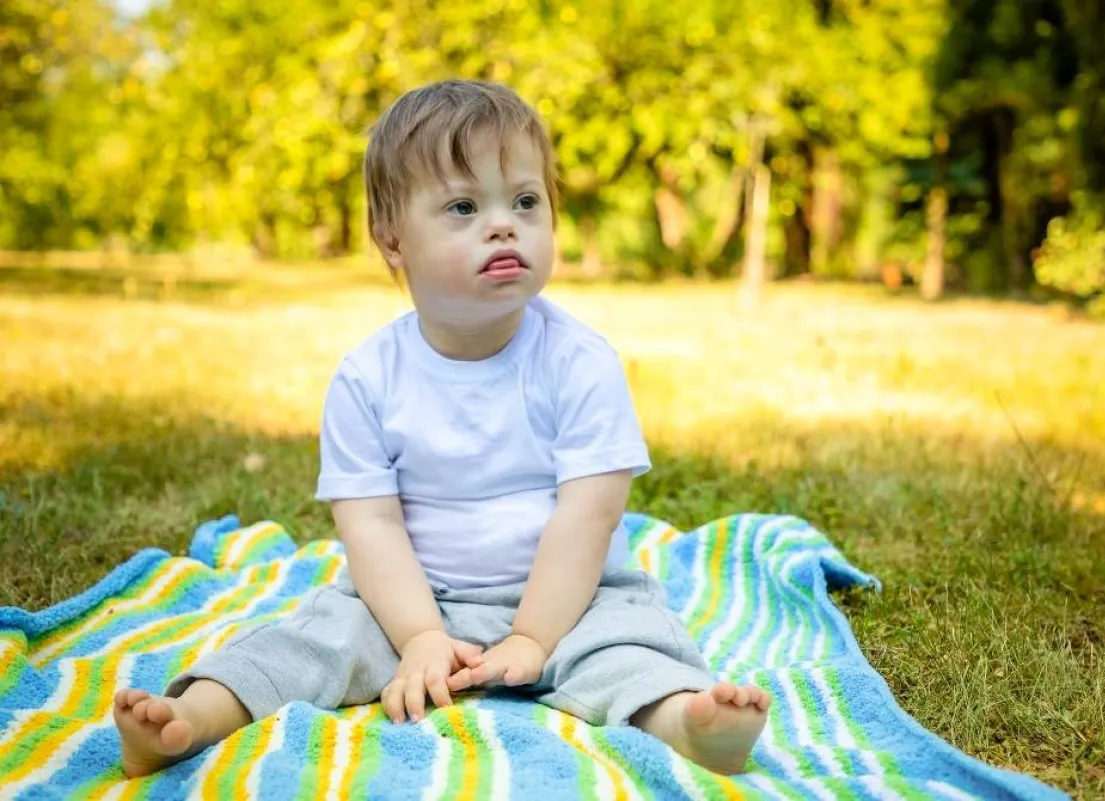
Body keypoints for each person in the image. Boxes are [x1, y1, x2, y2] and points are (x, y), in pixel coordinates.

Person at [112, 79, 770, 779]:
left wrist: (534, 635)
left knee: (630, 645)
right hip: (412, 599)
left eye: (525, 200)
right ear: (392, 240)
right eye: (464, 206)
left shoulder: (578, 362)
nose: (503, 224)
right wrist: (420, 633)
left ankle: (694, 726)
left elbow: (589, 515)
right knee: (311, 640)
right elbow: (372, 525)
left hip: (569, 595)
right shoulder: (370, 377)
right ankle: (188, 719)